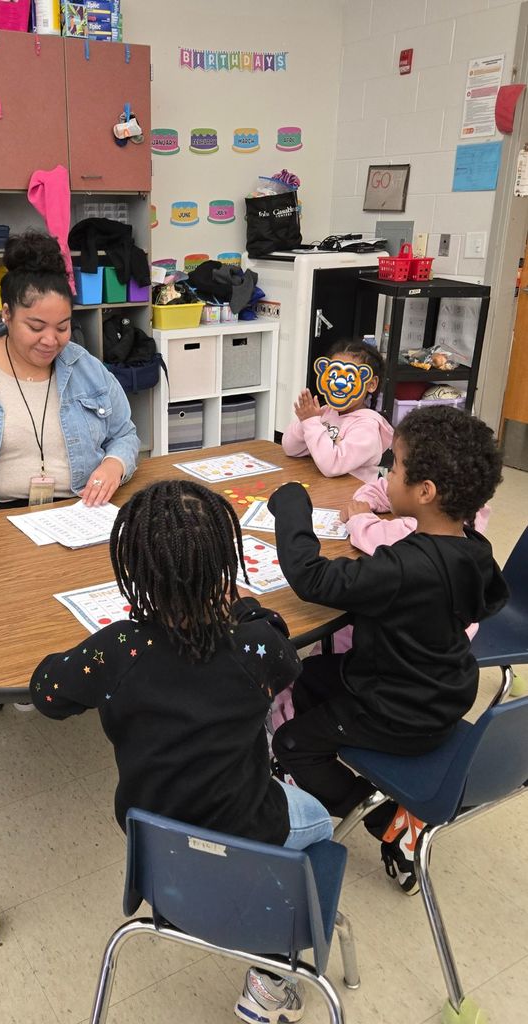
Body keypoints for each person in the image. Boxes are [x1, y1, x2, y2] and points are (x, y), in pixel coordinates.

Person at [30, 479, 332, 1024]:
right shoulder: (249, 648)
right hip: (250, 829)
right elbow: (286, 659)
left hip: (153, 851)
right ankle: (269, 978)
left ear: (133, 574)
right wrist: (247, 615)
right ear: (224, 571)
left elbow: (45, 693)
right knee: (319, 823)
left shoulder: (119, 648)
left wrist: (81, 657)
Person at [269, 406, 508, 896]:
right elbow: (489, 598)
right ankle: (330, 758)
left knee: (290, 743)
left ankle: (386, 818)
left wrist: (292, 507)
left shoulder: (404, 566)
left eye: (393, 468)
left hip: (396, 709)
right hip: (439, 693)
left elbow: (312, 579)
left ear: (425, 492)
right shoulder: (474, 548)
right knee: (310, 676)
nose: (386, 475)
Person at [0, 231, 140, 525]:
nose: (50, 340)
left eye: (62, 327)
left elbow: (124, 434)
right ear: (6, 314)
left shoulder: (88, 369)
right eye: (36, 327)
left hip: (82, 510)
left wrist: (114, 464)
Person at [281, 338, 393, 483]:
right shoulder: (325, 412)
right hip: (324, 489)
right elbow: (290, 448)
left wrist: (311, 422)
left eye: (349, 378)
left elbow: (332, 466)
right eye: (333, 375)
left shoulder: (367, 427)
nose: (339, 384)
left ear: (371, 384)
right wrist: (305, 420)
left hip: (353, 499)